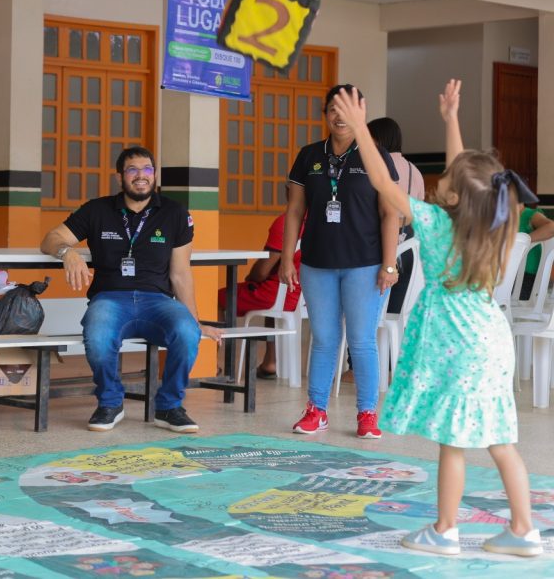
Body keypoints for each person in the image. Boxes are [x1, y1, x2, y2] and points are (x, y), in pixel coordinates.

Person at [339, 78, 542, 557]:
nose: (439, 180)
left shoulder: (434, 225)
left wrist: (361, 129)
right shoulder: (491, 224)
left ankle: (445, 530)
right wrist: (451, 119)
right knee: (501, 440)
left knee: (453, 444)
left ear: (453, 199)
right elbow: (466, 176)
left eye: (446, 181)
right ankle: (523, 530)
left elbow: (383, 184)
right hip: (491, 340)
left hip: (457, 344)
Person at [40, 146, 221, 433]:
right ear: (119, 177)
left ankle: (169, 407)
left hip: (158, 301)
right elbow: (51, 238)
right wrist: (67, 252)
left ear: (155, 174)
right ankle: (111, 403)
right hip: (110, 299)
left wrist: (194, 320)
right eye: (132, 170)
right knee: (98, 335)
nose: (141, 176)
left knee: (187, 332)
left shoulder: (175, 213)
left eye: (147, 169)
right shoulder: (97, 210)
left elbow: (181, 274)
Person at [280, 83, 400, 440]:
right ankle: (316, 411)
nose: (338, 115)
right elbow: (294, 211)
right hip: (316, 263)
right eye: (332, 108)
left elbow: (390, 213)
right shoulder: (309, 155)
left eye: (346, 108)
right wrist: (287, 257)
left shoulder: (376, 156)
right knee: (323, 339)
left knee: (361, 341)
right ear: (325, 114)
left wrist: (389, 264)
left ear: (360, 113)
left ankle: (367, 413)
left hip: (365, 264)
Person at [217, 210, 304, 379]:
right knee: (276, 299)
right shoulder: (321, 219)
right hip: (303, 297)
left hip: (277, 294)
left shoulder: (286, 222)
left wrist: (251, 277)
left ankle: (210, 364)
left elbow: (262, 272)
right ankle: (270, 362)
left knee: (215, 299)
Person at [517, 203, 554, 300]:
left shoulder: (528, 214)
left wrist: (523, 242)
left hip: (527, 276)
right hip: (505, 274)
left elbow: (551, 227)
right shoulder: (499, 218)